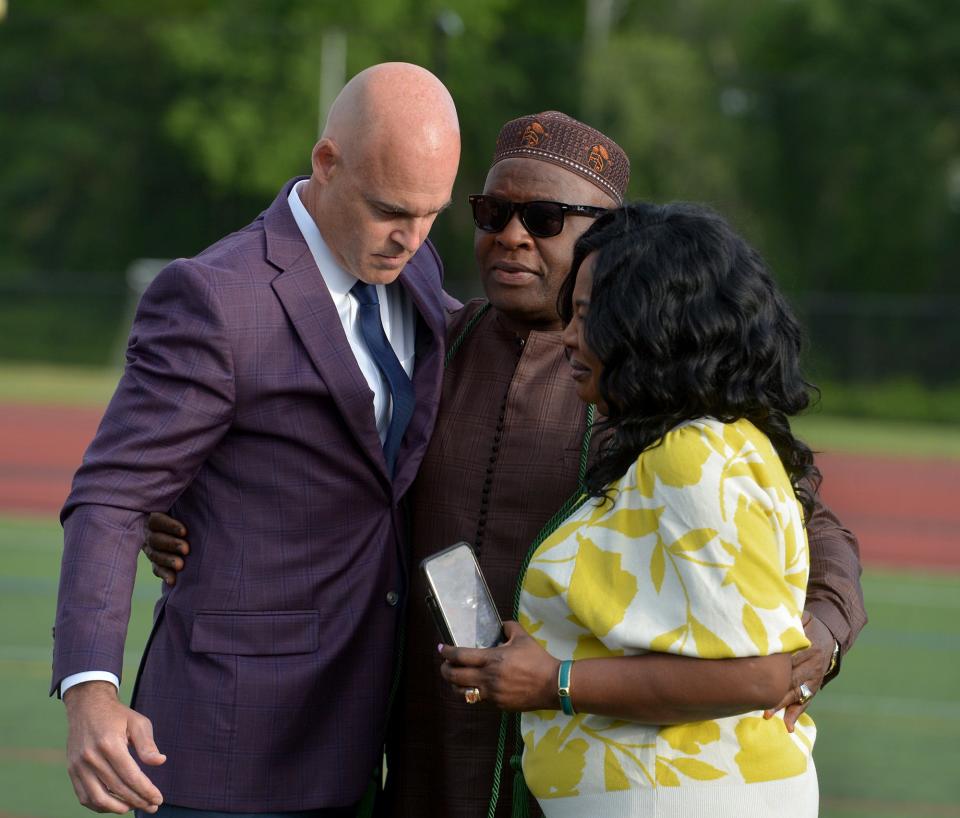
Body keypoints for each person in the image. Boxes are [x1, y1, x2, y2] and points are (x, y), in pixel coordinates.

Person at [144, 112, 867, 818]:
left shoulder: (653, 393)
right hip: (421, 739)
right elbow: (313, 460)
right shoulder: (430, 346)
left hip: (581, 749)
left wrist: (821, 637)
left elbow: (806, 526)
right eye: (494, 213)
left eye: (546, 218)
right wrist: (191, 510)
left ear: (606, 241)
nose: (512, 237)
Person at [50, 62, 460, 817]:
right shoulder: (215, 297)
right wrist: (90, 693)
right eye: (391, 209)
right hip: (230, 745)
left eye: (433, 212)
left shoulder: (417, 268)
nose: (413, 236)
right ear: (327, 164)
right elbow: (112, 497)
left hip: (372, 730)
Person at [441, 201, 827, 816]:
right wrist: (547, 649)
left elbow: (758, 674)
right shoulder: (683, 445)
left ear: (654, 327)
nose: (568, 334)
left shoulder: (692, 456)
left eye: (589, 317)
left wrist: (552, 682)